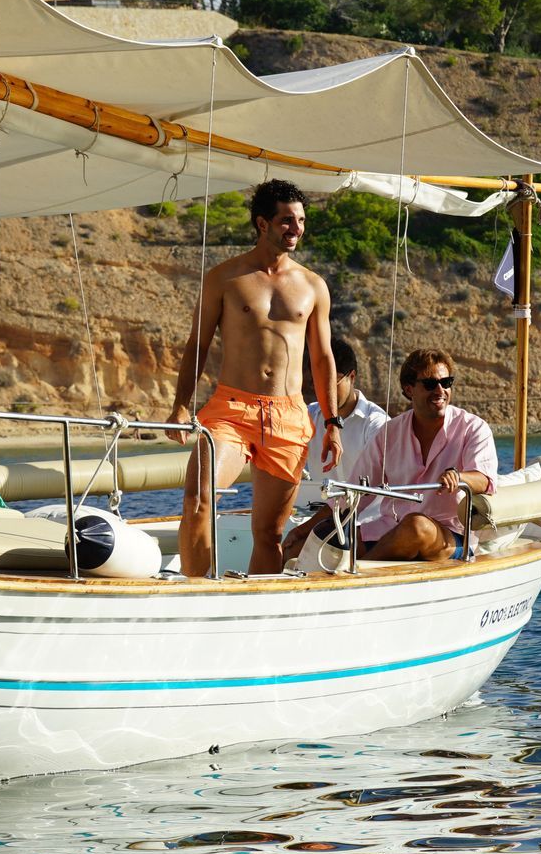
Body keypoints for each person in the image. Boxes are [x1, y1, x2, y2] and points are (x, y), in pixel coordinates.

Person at [165, 179, 343, 577]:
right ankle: (197, 596)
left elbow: (323, 356)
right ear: (262, 223)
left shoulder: (313, 286)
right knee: (198, 500)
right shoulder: (224, 278)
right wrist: (180, 406)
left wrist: (332, 423)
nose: (295, 229)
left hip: (288, 415)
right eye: (285, 220)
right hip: (232, 409)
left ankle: (256, 612)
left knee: (268, 532)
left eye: (299, 220)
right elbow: (198, 344)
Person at [343, 347, 497, 562]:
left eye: (446, 383)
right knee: (337, 538)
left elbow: (484, 480)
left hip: (451, 535)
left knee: (416, 526)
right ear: (409, 389)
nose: (440, 390)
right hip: (392, 529)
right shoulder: (389, 433)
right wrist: (305, 531)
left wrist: (458, 477)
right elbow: (355, 492)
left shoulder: (473, 428)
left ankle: (361, 576)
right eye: (430, 384)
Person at [283, 336, 388, 559]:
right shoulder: (309, 416)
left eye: (331, 383)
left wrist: (303, 529)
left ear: (352, 377)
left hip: (370, 526)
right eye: (317, 384)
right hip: (326, 520)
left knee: (293, 553)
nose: (324, 392)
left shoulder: (377, 424)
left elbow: (355, 497)